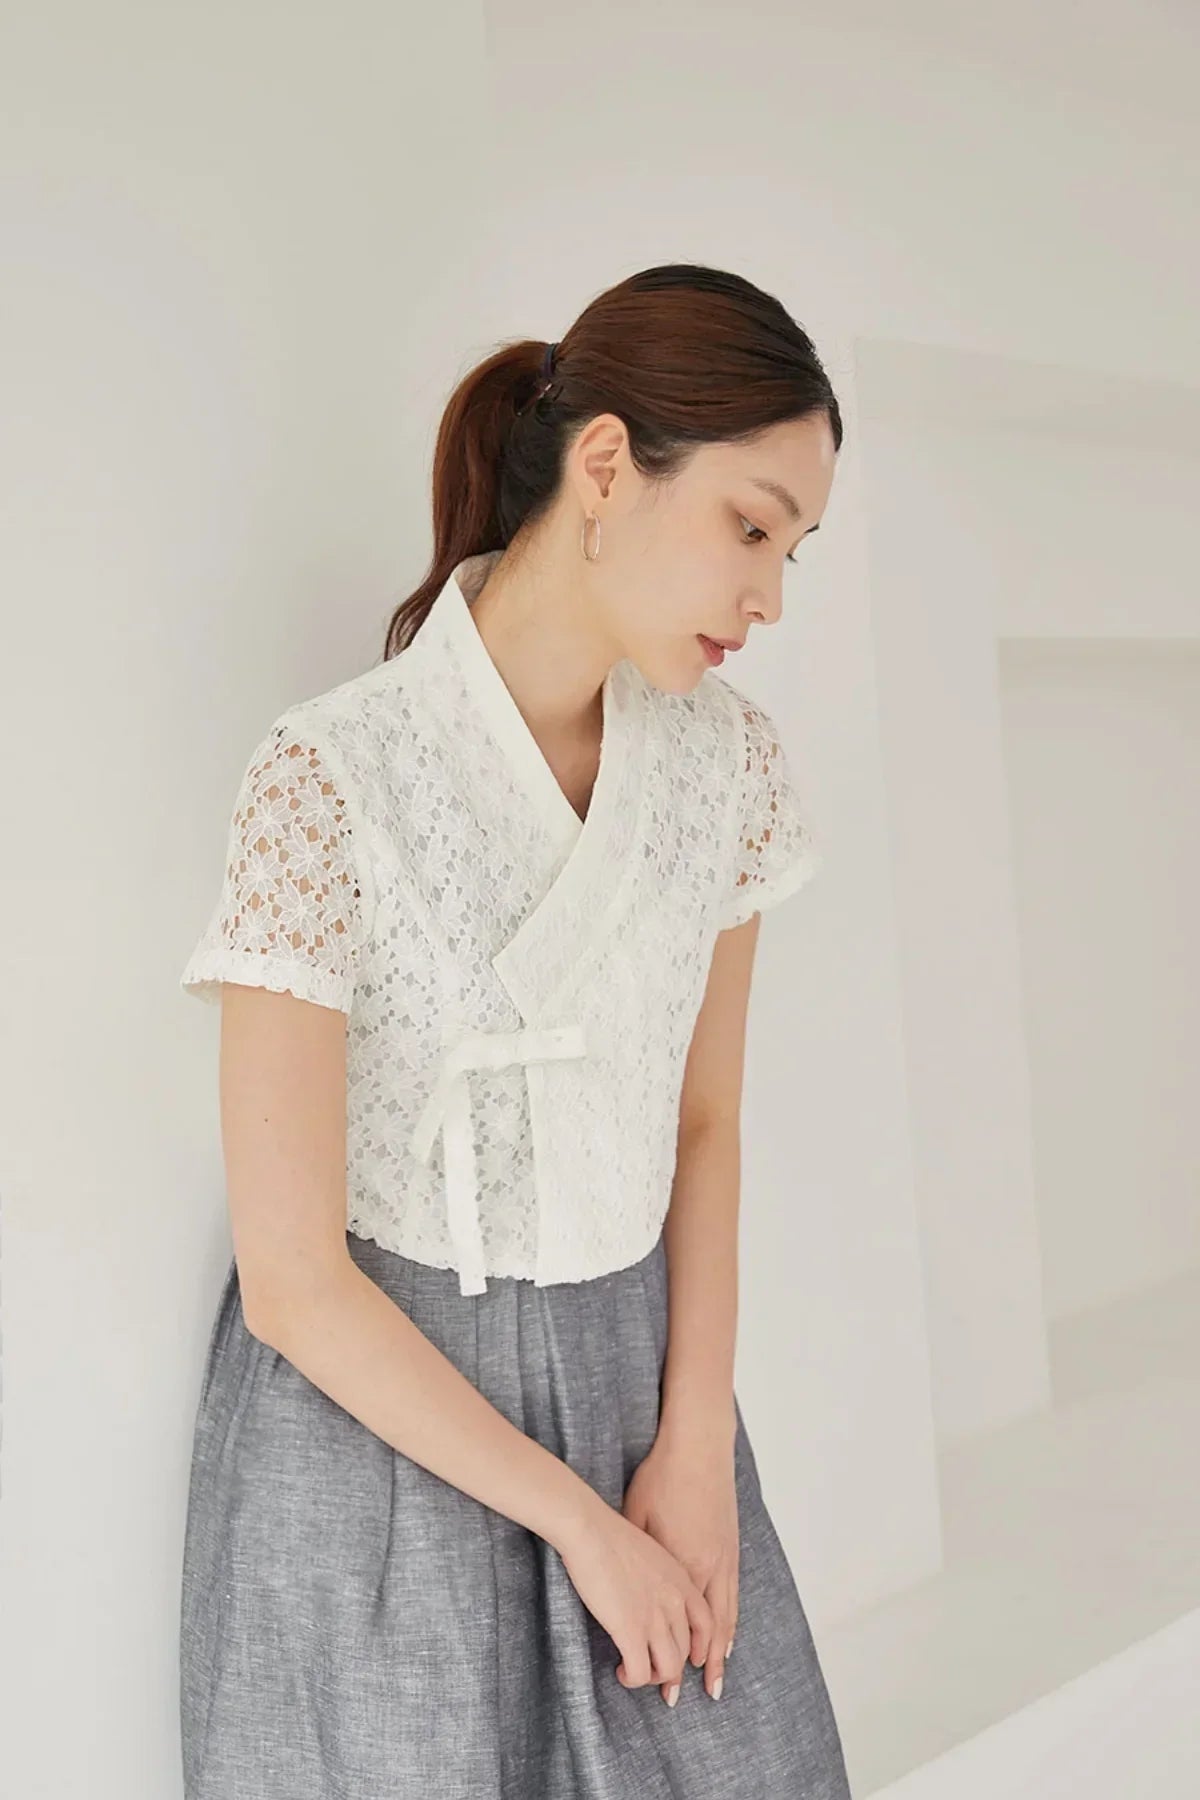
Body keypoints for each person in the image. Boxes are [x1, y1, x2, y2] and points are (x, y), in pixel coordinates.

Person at [176, 260, 851, 1798]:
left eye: (798, 549)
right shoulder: (330, 777)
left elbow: (704, 1124)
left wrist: (691, 1454)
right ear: (607, 466)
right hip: (374, 1445)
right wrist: (581, 1528)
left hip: (639, 1391)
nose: (772, 596)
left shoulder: (728, 771)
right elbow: (290, 1285)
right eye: (752, 526)